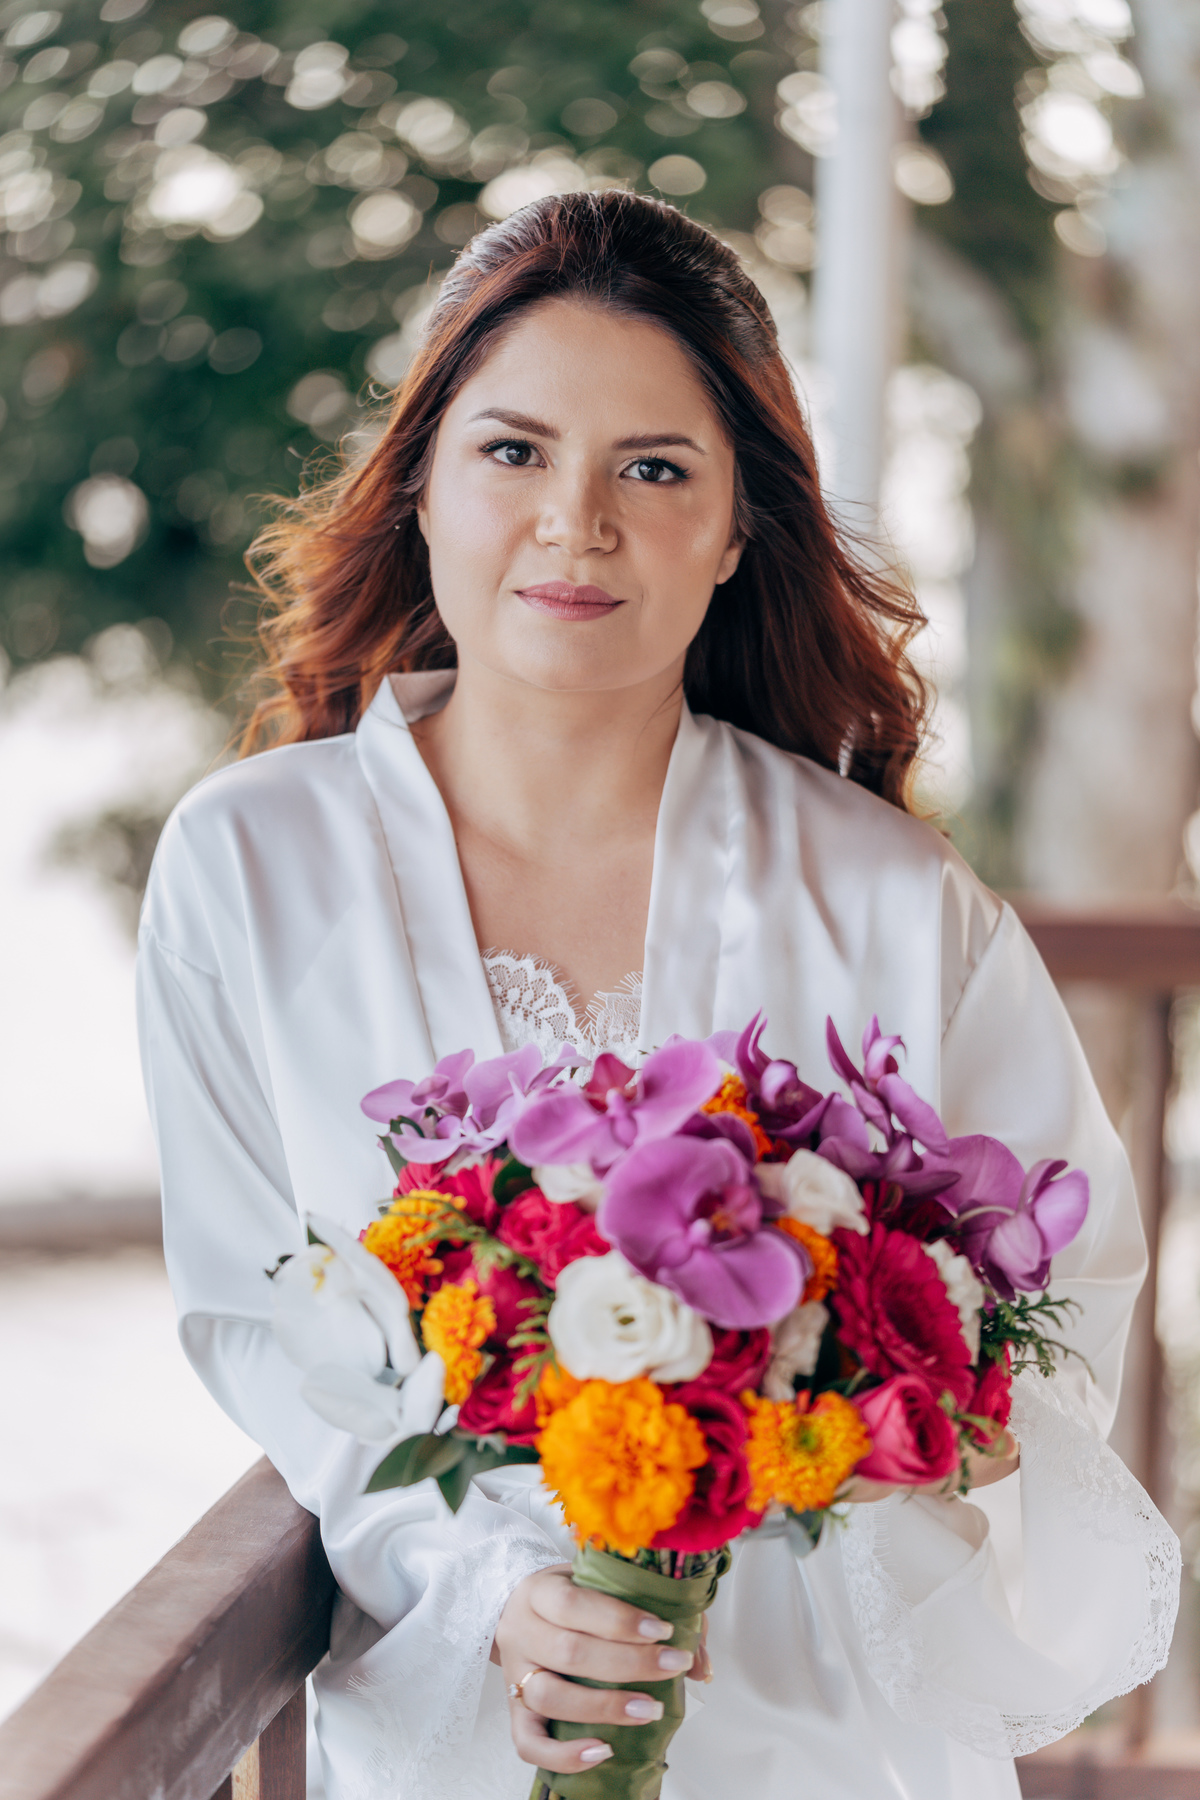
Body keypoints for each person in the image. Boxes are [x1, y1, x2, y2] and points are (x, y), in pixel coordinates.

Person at [137, 191, 1178, 1800]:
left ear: (741, 526)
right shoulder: (247, 867)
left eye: (655, 469)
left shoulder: (893, 897)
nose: (576, 524)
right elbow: (254, 1320)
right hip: (448, 1724)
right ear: (420, 483)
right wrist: (486, 1586)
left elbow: (1064, 1299)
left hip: (829, 1747)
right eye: (514, 451)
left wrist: (879, 1435)